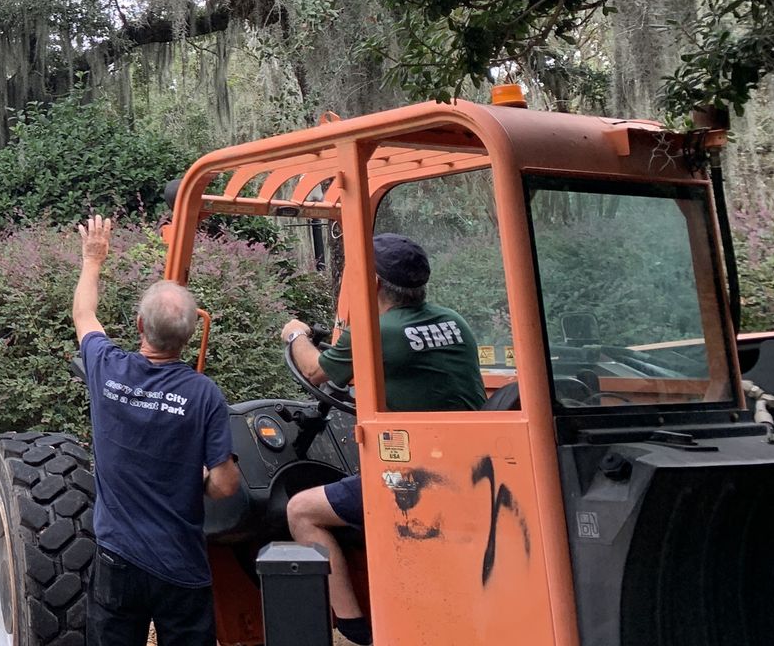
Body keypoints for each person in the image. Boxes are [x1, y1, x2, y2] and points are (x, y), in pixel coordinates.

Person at [278, 233, 484, 645]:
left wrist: (295, 335)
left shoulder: (378, 332)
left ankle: (353, 628)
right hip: (473, 465)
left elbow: (317, 371)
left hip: (417, 477)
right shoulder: (453, 322)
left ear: (371, 283)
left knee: (301, 510)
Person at [73, 215, 242, 646]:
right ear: (189, 336)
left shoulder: (106, 368)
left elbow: (84, 312)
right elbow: (224, 485)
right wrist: (198, 479)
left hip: (118, 560)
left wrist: (94, 258)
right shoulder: (204, 395)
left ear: (139, 327)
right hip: (180, 566)